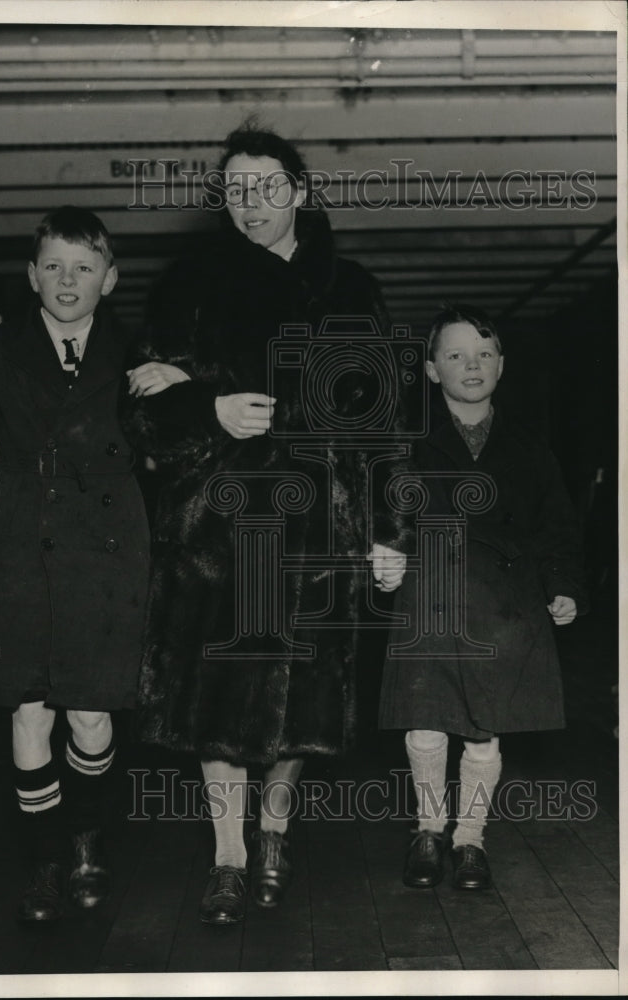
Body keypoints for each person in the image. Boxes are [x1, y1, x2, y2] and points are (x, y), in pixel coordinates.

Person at [122, 124, 409, 925]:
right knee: (219, 708)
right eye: (236, 191)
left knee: (299, 712)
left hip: (323, 529)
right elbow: (140, 412)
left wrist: (390, 529)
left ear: (301, 193)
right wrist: (207, 407)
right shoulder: (190, 286)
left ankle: (274, 838)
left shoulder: (351, 289)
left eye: (267, 187)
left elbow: (386, 422)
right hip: (218, 530)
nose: (251, 204)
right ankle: (227, 856)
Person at [0, 206, 150, 922]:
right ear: (31, 274)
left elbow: (182, 446)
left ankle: (88, 840)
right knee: (26, 714)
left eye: (83, 267)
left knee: (89, 719)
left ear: (109, 279)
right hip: (18, 552)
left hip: (109, 560)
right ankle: (48, 862)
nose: (67, 280)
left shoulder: (141, 352)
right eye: (52, 265)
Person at [378, 304, 587, 891]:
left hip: (507, 607)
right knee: (425, 722)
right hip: (430, 598)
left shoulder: (531, 447)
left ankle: (470, 838)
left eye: (485, 354)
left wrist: (565, 584)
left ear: (502, 365)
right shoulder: (405, 441)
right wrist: (382, 552)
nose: (472, 365)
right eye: (455, 355)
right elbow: (381, 510)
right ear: (429, 369)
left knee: (483, 727)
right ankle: (427, 829)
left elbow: (558, 529)